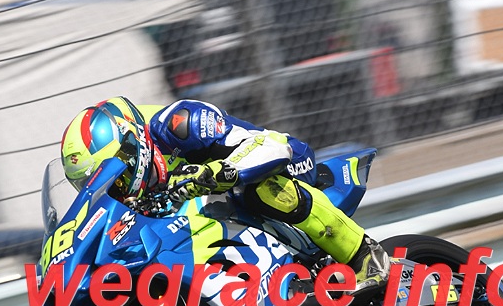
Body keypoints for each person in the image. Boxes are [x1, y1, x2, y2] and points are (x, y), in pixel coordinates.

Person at [59, 96, 389, 294]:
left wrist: (223, 171)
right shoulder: (136, 195)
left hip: (282, 165)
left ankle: (364, 255)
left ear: (132, 148)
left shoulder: (179, 123)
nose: (116, 187)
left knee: (257, 191)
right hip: (215, 214)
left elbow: (271, 144)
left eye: (116, 176)